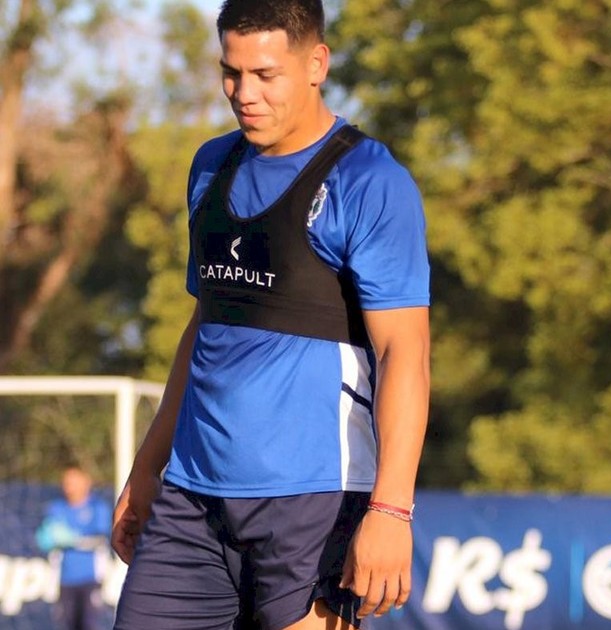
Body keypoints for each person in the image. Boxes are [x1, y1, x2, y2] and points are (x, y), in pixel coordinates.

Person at [110, 1, 431, 628]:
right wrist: (148, 468)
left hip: (313, 502)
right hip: (192, 499)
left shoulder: (369, 180)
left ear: (317, 64)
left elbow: (406, 353)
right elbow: (205, 329)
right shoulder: (211, 166)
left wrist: (392, 509)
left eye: (265, 74)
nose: (244, 93)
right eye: (231, 73)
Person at [37, 466, 112, 630]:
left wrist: (75, 540)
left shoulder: (97, 508)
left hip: (91, 579)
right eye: (66, 482)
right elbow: (45, 538)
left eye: (73, 481)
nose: (69, 486)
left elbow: (101, 539)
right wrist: (47, 539)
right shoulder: (56, 508)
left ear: (86, 482)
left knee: (89, 624)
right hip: (64, 580)